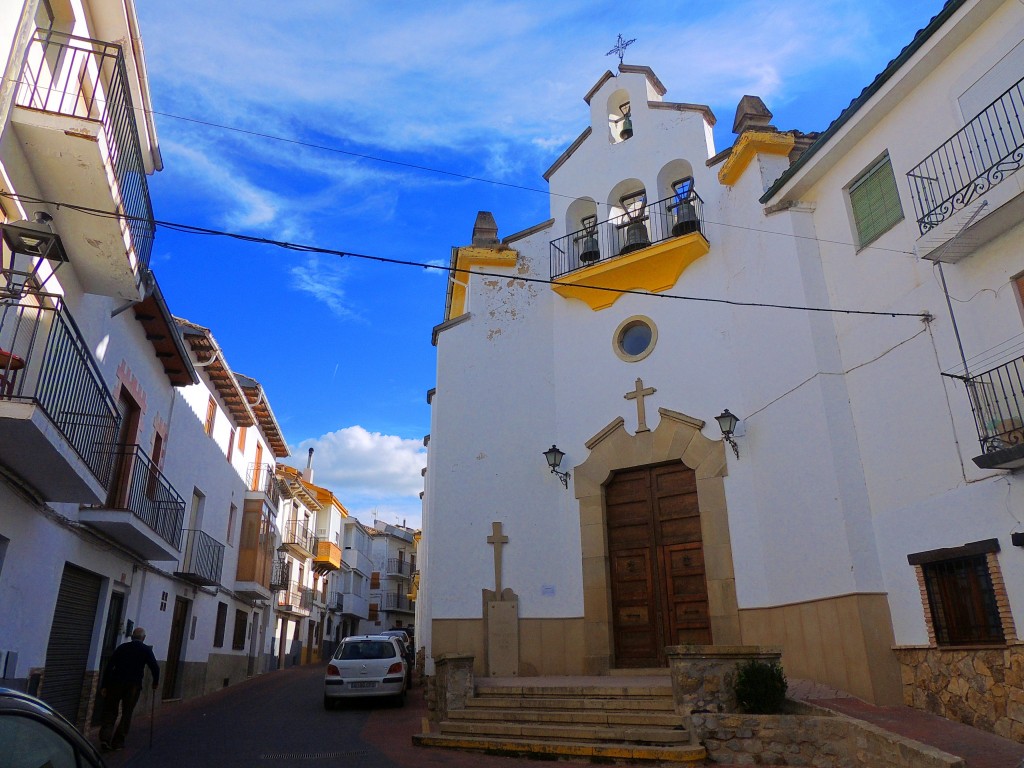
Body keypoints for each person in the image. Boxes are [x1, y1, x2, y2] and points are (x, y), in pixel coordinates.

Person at [98, 626, 160, 751]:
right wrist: (155, 683)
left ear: (132, 637)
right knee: (127, 713)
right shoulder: (145, 650)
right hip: (133, 686)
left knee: (110, 710)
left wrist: (105, 685)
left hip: (116, 683)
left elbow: (110, 666)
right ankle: (118, 742)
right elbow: (155, 667)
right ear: (144, 638)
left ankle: (105, 738)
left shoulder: (122, 648)